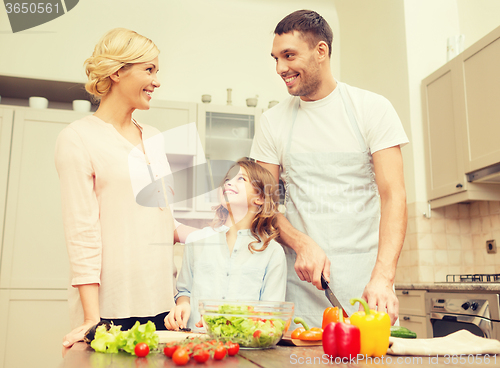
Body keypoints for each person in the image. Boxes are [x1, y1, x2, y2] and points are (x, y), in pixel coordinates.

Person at [250, 10, 408, 328]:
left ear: (321, 51)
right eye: (276, 58)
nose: (280, 68)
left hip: (367, 290)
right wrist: (301, 242)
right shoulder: (272, 122)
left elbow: (394, 196)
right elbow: (261, 204)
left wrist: (383, 276)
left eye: (289, 55)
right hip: (301, 291)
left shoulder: (372, 109)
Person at [55, 28, 194, 350]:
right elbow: (82, 233)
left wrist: (231, 231)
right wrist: (92, 318)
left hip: (163, 301)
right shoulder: (78, 138)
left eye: (157, 71)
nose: (157, 81)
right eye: (149, 70)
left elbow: (164, 221)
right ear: (117, 71)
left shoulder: (155, 137)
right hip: (110, 308)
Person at [164, 158, 287, 330]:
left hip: (245, 347)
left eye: (241, 179)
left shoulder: (273, 252)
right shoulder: (197, 241)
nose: (228, 183)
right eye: (227, 179)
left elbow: (271, 314)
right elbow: (185, 292)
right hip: (198, 343)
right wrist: (183, 305)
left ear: (259, 198)